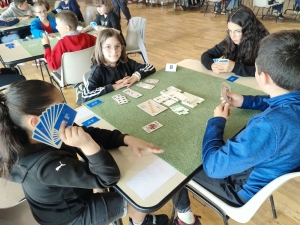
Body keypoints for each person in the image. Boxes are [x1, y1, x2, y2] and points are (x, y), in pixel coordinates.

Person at [173, 29, 300, 225]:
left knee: (177, 163)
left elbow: (214, 167)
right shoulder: (291, 99)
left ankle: (185, 218)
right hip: (271, 168)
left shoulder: (268, 126)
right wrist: (245, 101)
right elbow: (278, 102)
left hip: (240, 191)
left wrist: (217, 121)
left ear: (263, 77)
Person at [0, 79, 169, 225]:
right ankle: (140, 221)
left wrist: (125, 139)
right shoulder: (45, 168)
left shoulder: (34, 133)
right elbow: (107, 179)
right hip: (71, 218)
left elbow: (87, 132)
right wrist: (88, 145)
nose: (69, 111)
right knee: (139, 200)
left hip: (62, 198)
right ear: (35, 122)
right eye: (61, 107)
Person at [82, 29, 156, 103]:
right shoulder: (97, 70)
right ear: (101, 49)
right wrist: (115, 86)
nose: (114, 51)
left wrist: (135, 77)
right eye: (108, 47)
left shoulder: (125, 61)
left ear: (122, 47)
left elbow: (150, 67)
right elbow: (85, 96)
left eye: (117, 46)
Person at [201, 5, 269, 77]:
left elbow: (265, 71)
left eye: (237, 31)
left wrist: (234, 67)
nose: (232, 36)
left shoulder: (264, 43)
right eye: (230, 31)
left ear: (248, 30)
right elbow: (206, 55)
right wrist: (211, 64)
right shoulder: (230, 40)